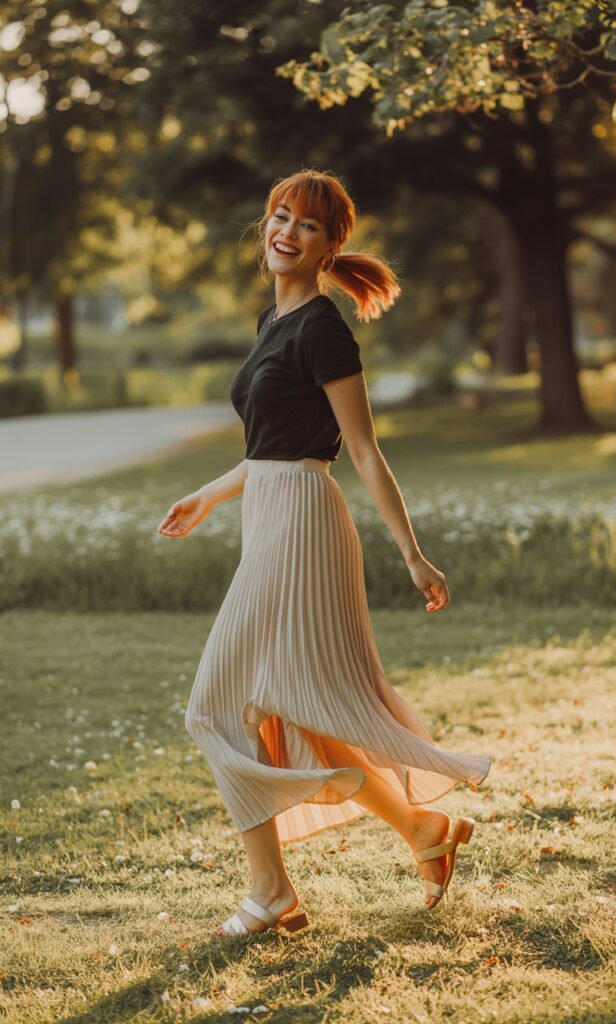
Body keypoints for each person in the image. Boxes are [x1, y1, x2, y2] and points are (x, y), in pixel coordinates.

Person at [157, 168, 492, 938]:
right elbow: (272, 449)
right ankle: (420, 831)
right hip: (270, 511)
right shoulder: (271, 322)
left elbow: (362, 452)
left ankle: (271, 893)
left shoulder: (323, 327)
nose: (286, 232)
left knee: (214, 707)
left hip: (304, 525)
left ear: (330, 243)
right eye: (279, 216)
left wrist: (412, 553)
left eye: (306, 225)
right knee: (293, 710)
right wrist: (210, 494)